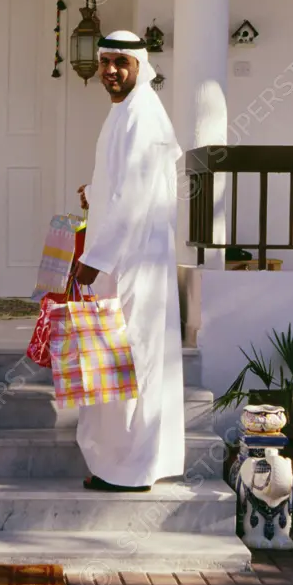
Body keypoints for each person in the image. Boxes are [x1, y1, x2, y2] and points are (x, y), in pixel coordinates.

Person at [71, 30, 186, 492]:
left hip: (132, 262)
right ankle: (115, 463)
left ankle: (132, 469)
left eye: (121, 62)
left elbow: (136, 196)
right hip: (123, 260)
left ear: (140, 66)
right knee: (114, 361)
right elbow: (121, 183)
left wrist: (94, 258)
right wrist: (94, 193)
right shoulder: (125, 112)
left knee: (131, 360)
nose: (111, 71)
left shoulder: (142, 113)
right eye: (105, 62)